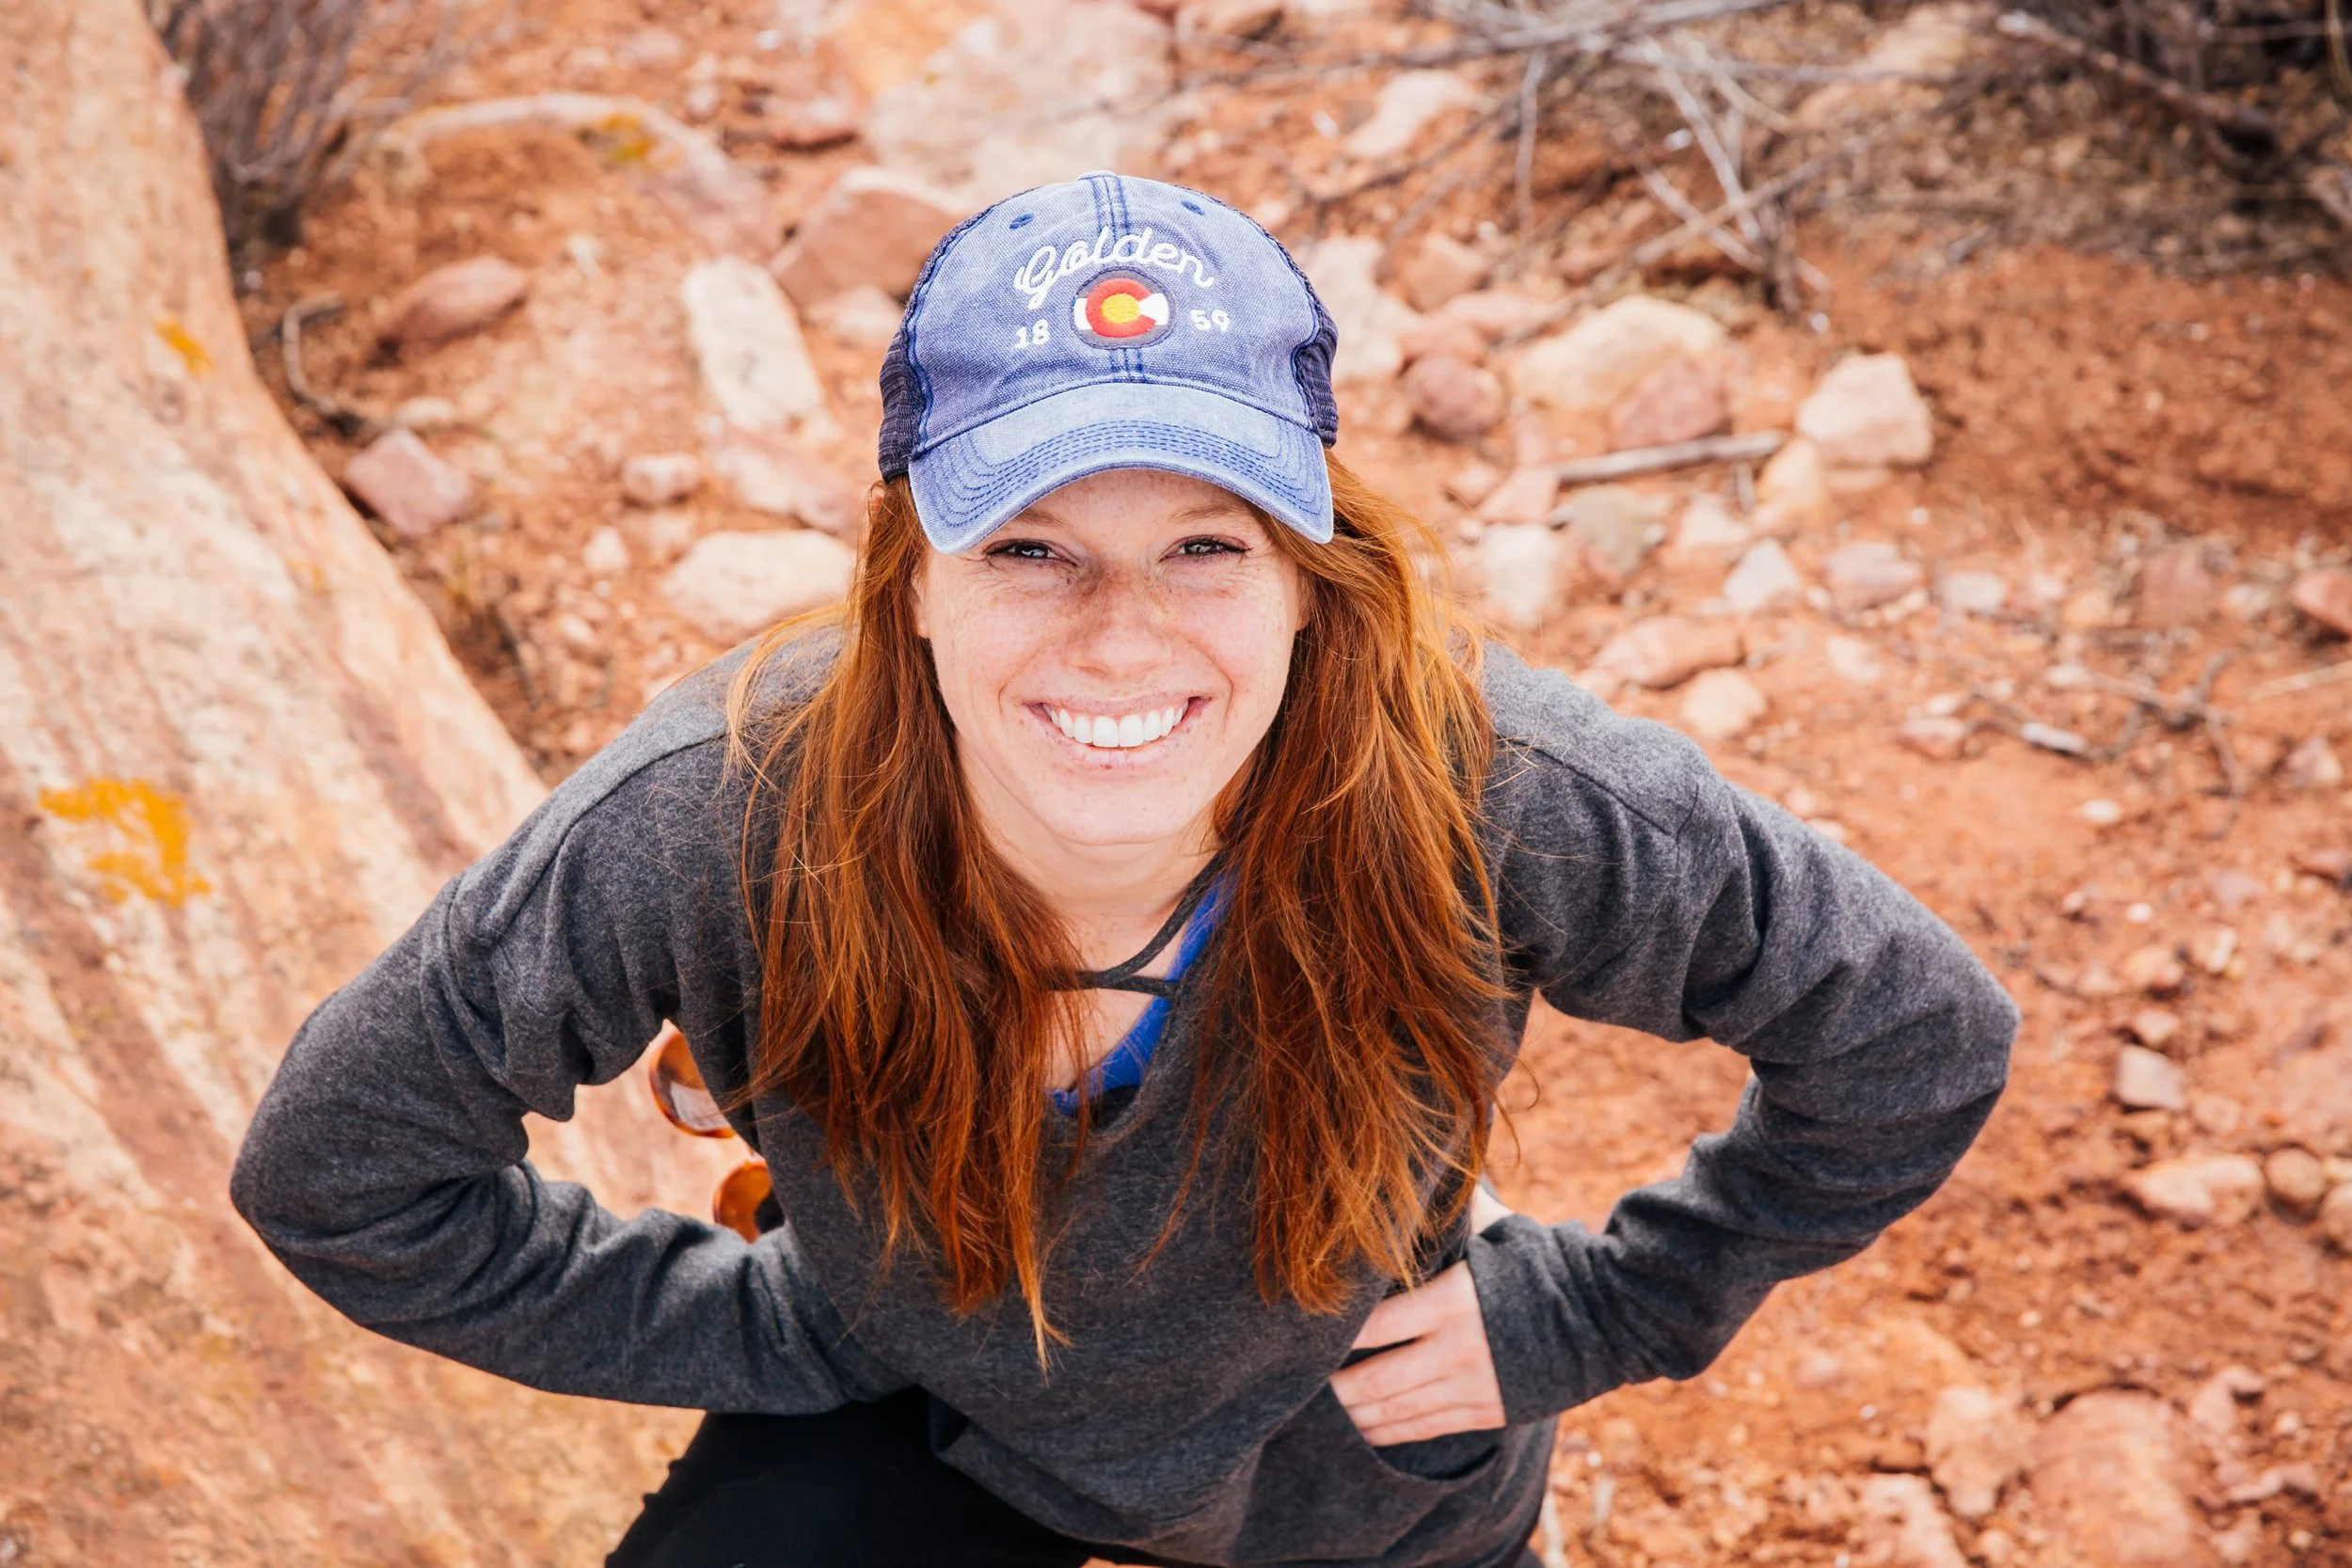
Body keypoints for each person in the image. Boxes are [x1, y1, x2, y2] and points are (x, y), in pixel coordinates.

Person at [230, 172, 2018, 1568]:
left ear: (1311, 574)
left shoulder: (1491, 789)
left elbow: (1913, 1032)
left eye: (1200, 541)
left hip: (1360, 1490)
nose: (1120, 640)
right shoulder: (726, 813)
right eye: (1028, 545)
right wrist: (779, 1333)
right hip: (918, 1438)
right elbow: (345, 1173)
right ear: (906, 569)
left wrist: (1607, 1303)